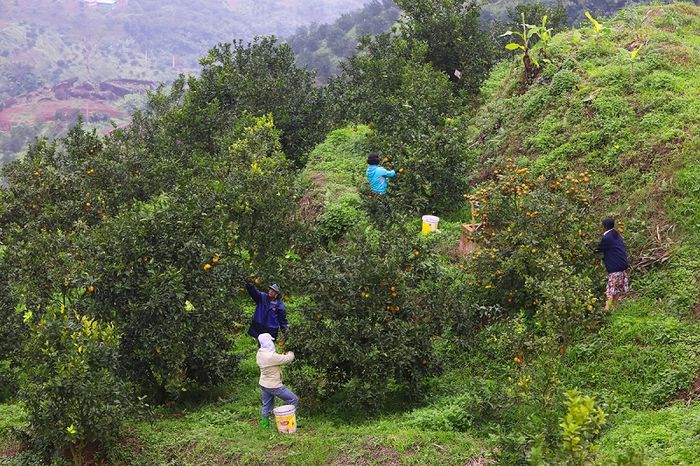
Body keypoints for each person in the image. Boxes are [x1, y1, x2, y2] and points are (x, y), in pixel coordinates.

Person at [256, 333, 298, 429]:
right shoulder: (270, 356)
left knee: (266, 405)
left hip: (264, 384)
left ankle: (265, 426)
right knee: (293, 399)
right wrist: (290, 351)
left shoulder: (260, 353)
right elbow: (288, 359)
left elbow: (276, 359)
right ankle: (291, 422)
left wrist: (281, 355)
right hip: (274, 386)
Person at [594, 217, 630, 310]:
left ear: (604, 227)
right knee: (617, 290)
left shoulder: (607, 237)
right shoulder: (616, 234)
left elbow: (599, 248)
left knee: (610, 291)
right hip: (622, 266)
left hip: (615, 268)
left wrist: (591, 248)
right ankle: (614, 308)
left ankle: (607, 310)